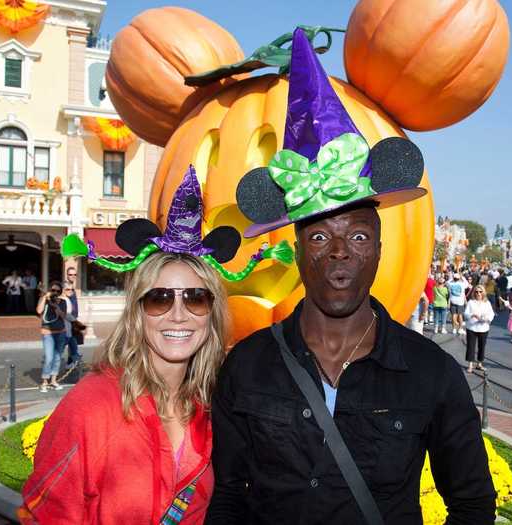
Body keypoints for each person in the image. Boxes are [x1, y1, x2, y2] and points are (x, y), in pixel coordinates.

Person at [207, 30, 495, 524]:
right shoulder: (247, 368)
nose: (339, 251)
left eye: (358, 237)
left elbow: (471, 505)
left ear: (380, 251)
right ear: (296, 252)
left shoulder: (431, 374)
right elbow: (229, 497)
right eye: (319, 238)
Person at [20, 164, 275, 523]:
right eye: (159, 298)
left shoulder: (215, 405)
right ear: (138, 311)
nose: (178, 313)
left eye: (195, 298)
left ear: (211, 313)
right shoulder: (90, 408)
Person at [35, 281, 68, 392]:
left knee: (57, 357)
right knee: (49, 357)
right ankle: (44, 381)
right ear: (50, 290)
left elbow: (63, 316)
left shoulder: (62, 301)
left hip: (60, 332)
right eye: (53, 290)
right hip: (47, 332)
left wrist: (55, 305)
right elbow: (39, 311)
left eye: (58, 291)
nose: (55, 293)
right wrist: (45, 297)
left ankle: (53, 380)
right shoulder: (45, 300)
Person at [464, 285, 495, 373]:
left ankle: (479, 364)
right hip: (472, 327)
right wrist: (472, 315)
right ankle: (470, 365)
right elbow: (466, 313)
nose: (478, 293)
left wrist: (487, 319)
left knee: (482, 346)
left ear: (483, 293)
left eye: (480, 292)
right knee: (471, 346)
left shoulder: (487, 303)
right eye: (476, 292)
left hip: (483, 327)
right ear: (474, 293)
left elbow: (491, 314)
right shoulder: (471, 302)